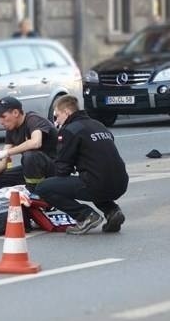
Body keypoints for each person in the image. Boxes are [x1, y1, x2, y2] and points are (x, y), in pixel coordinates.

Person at [35, 95, 128, 235]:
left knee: (44, 188)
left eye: (57, 116)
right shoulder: (98, 125)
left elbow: (62, 169)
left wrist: (51, 180)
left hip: (98, 183)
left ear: (67, 112)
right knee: (90, 179)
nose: (56, 121)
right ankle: (112, 211)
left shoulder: (69, 130)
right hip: (120, 183)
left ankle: (85, 216)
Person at [0, 96, 57, 194]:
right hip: (32, 170)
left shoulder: (33, 119)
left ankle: (37, 194)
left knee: (30, 155)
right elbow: (3, 159)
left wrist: (7, 152)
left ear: (16, 113)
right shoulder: (11, 128)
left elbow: (36, 142)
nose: (0, 122)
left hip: (53, 169)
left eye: (3, 116)